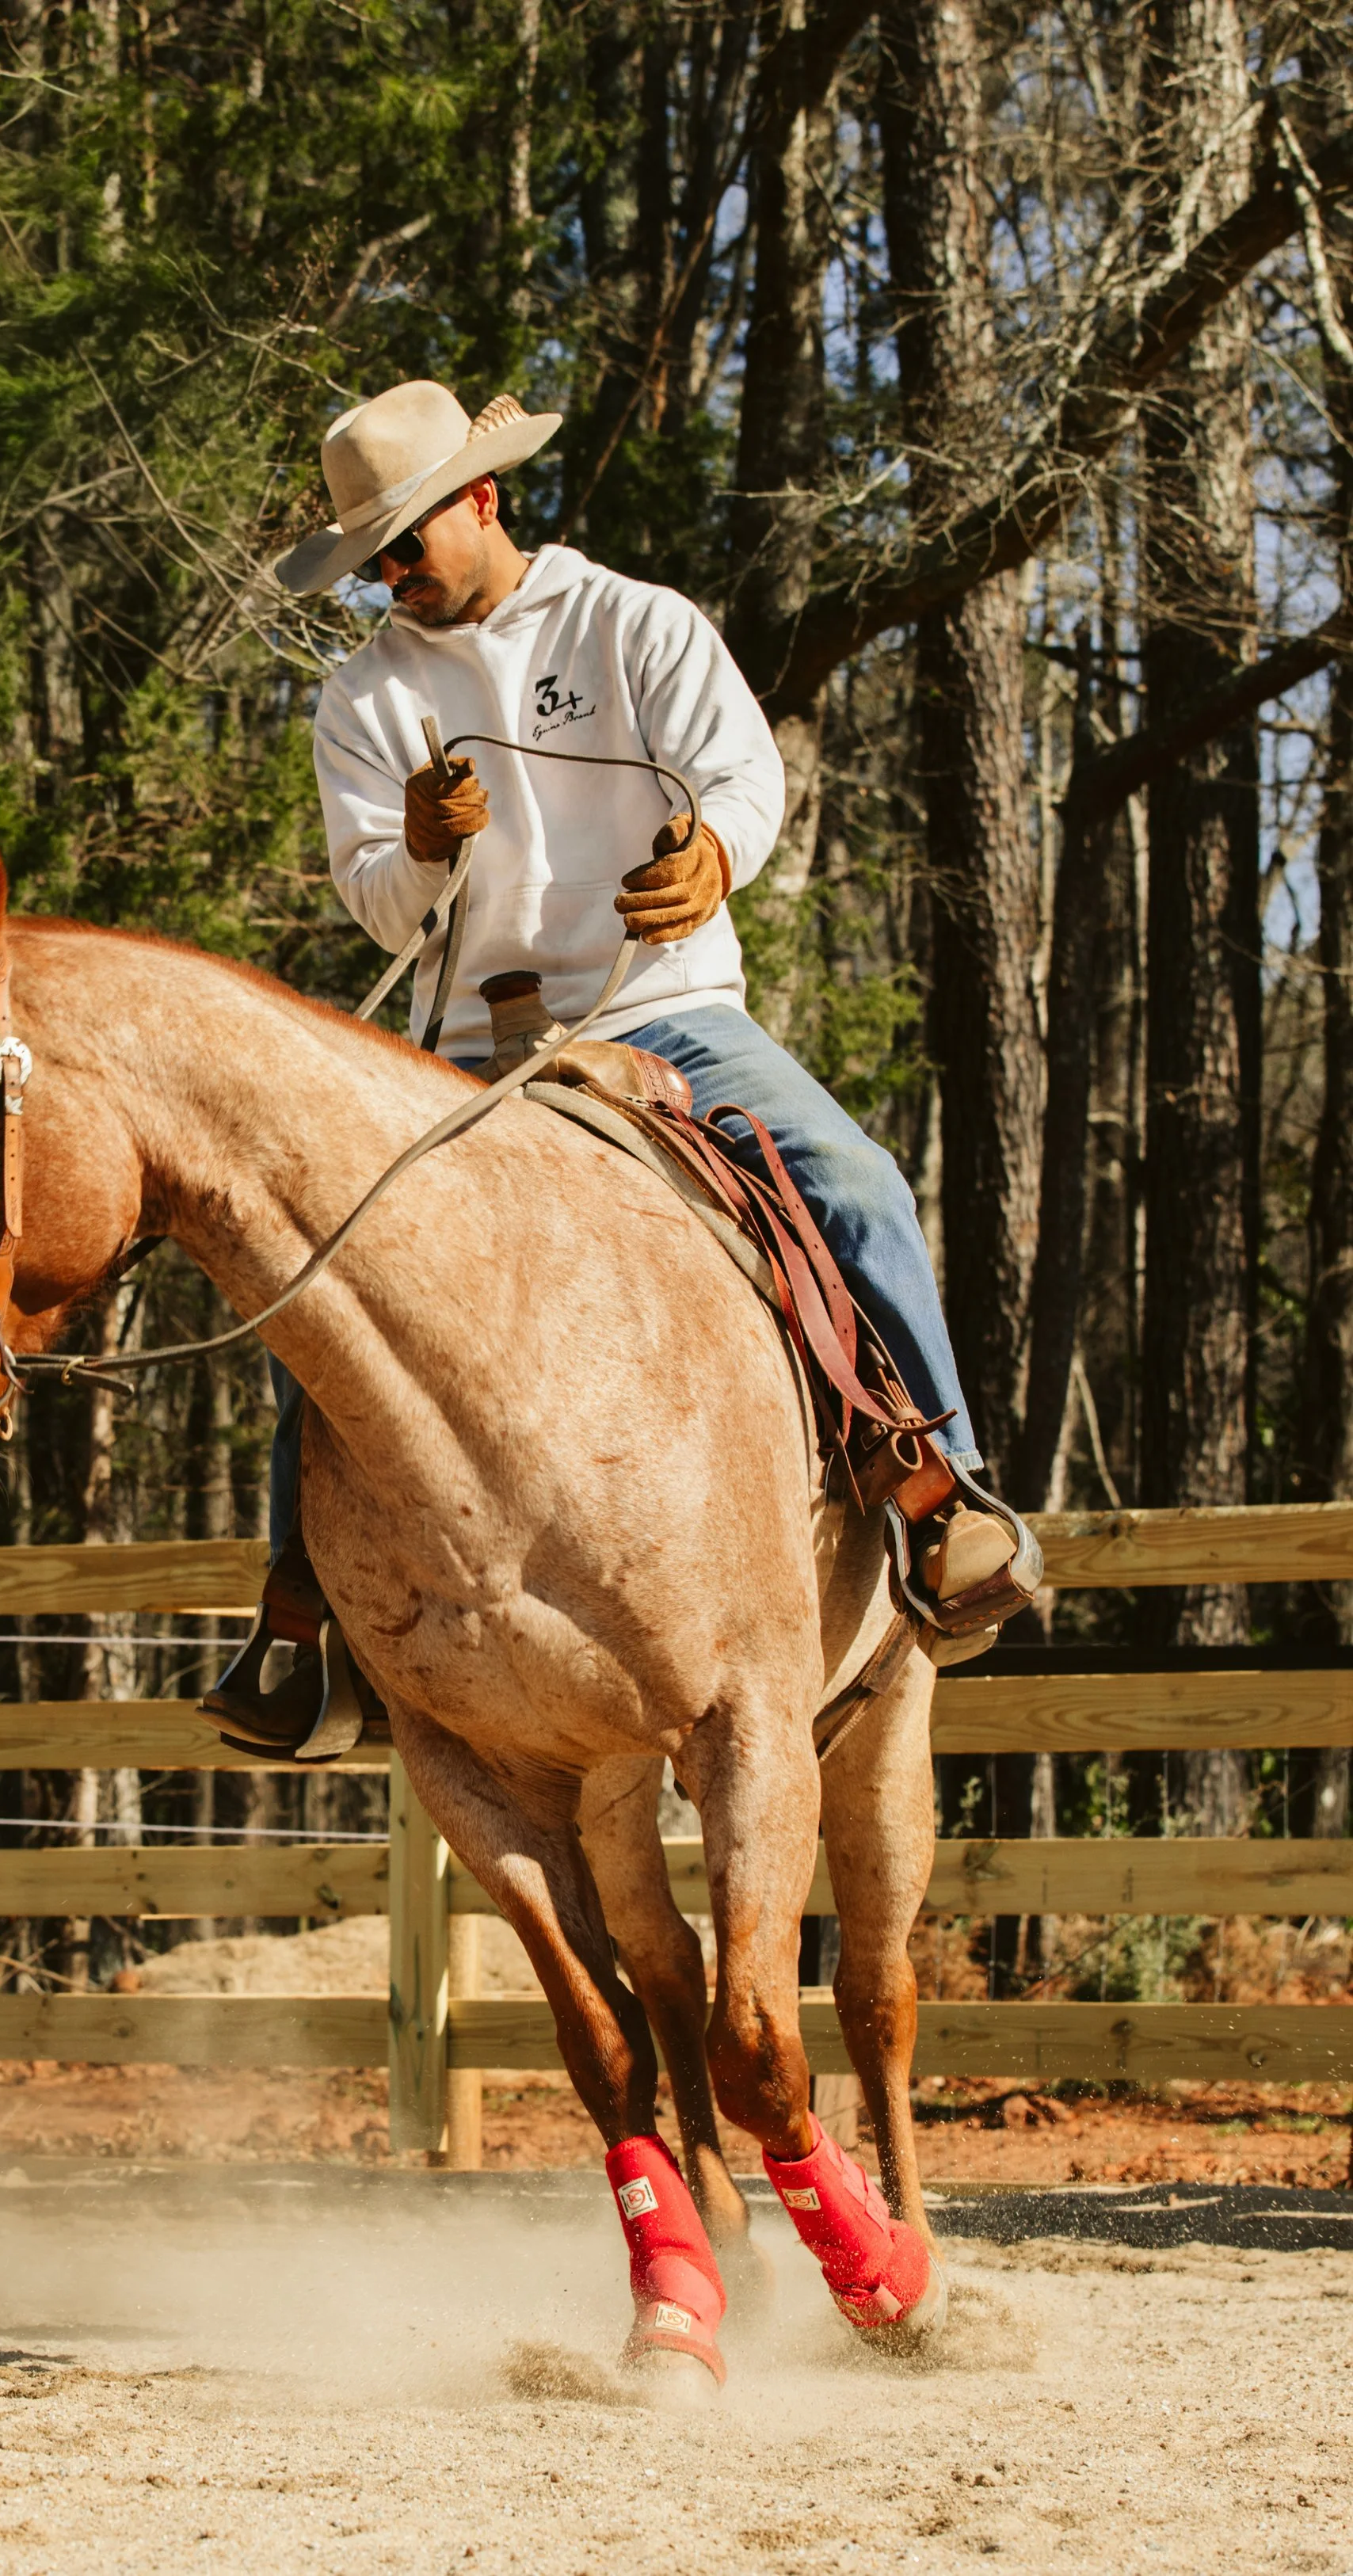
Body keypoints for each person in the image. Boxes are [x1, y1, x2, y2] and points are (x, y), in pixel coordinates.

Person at [212, 379, 1034, 1743]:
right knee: (329, 1273)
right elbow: (375, 901)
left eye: (407, 546)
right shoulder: (364, 694)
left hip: (667, 1014)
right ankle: (302, 1611)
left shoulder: (633, 622)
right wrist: (419, 842)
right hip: (469, 1051)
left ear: (481, 500)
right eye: (373, 563)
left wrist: (711, 853)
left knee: (854, 1178)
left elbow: (743, 776)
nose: (393, 580)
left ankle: (945, 1494)